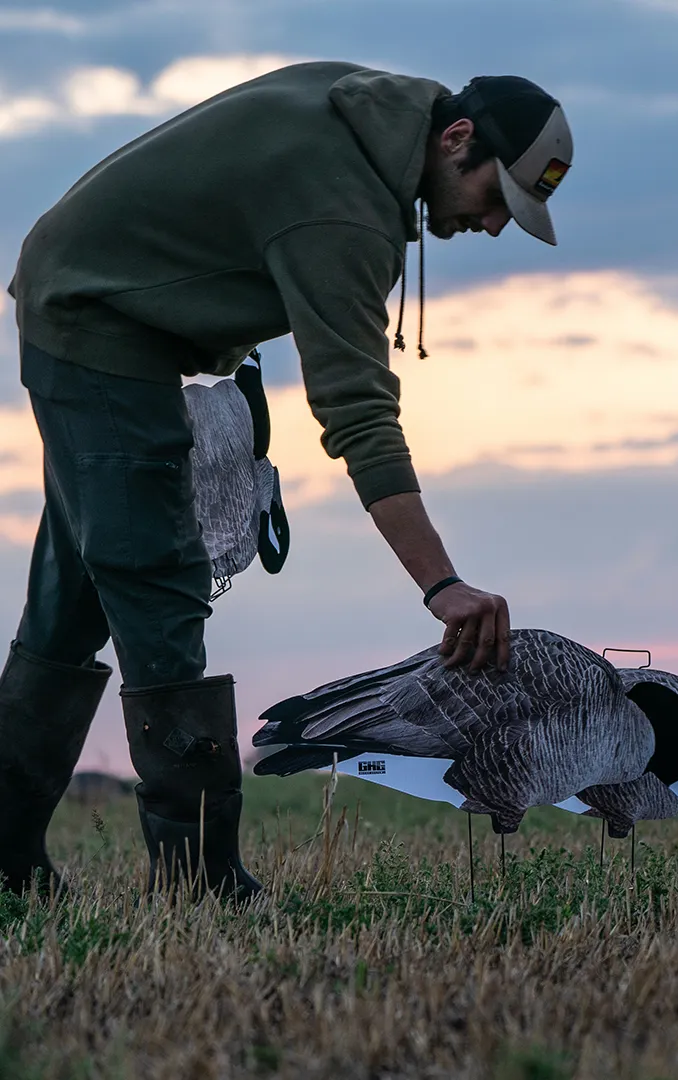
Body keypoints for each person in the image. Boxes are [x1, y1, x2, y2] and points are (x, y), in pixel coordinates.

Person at [0, 62, 573, 900]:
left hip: (103, 306)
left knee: (76, 597)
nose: (492, 225)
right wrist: (441, 584)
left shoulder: (369, 112)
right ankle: (201, 879)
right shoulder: (343, 206)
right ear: (457, 141)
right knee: (157, 580)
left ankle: (5, 859)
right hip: (96, 324)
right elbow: (358, 414)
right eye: (496, 199)